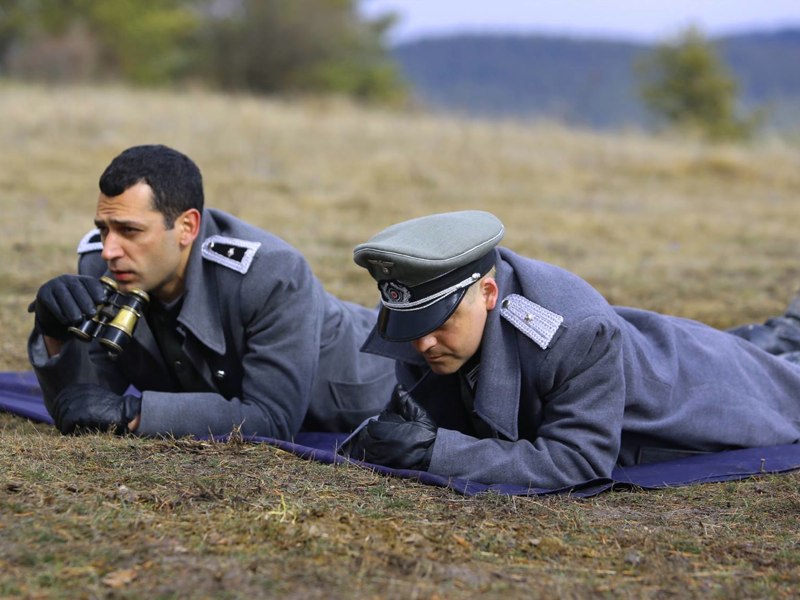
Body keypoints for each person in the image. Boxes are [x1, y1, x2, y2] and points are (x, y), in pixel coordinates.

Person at [343, 210, 800, 490]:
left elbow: (579, 461)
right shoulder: (434, 314)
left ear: (487, 292)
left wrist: (434, 452)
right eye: (411, 325)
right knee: (773, 339)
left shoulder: (573, 332)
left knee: (787, 383)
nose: (422, 342)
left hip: (696, 386)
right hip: (638, 341)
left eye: (438, 323)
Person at [28, 144, 396, 438]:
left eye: (130, 231)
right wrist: (54, 334)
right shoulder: (103, 265)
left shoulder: (273, 274)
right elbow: (82, 403)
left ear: (187, 227)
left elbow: (272, 419)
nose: (110, 250)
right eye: (104, 228)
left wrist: (135, 414)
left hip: (382, 376)